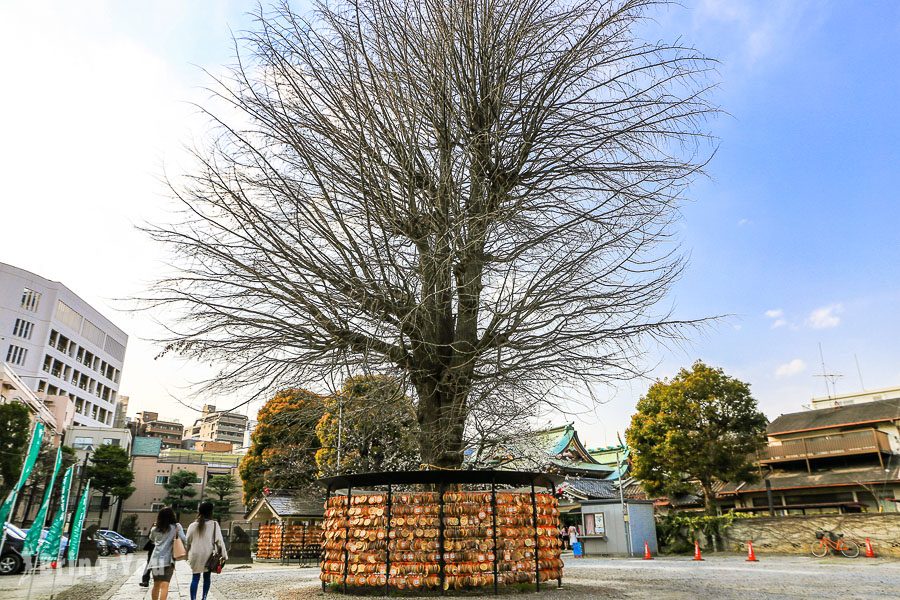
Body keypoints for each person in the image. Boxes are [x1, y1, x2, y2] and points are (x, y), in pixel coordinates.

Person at [186, 501, 228, 600]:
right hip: (208, 555)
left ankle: (193, 599)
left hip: (195, 554)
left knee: (195, 578)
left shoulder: (192, 525)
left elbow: (187, 541)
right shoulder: (214, 524)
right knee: (207, 577)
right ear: (211, 512)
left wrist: (185, 554)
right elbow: (220, 541)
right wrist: (225, 556)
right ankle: (204, 598)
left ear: (199, 511)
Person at [146, 507, 187, 600]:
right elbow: (184, 539)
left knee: (156, 585)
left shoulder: (154, 529)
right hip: (168, 561)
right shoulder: (176, 527)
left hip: (156, 560)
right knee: (165, 585)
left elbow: (151, 539)